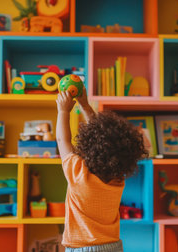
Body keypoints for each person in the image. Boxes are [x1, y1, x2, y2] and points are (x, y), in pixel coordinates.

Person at [56, 88, 148, 252]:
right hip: (112, 247)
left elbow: (62, 139)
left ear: (88, 144)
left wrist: (63, 110)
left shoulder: (79, 174)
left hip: (81, 249)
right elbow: (101, 137)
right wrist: (85, 105)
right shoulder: (117, 180)